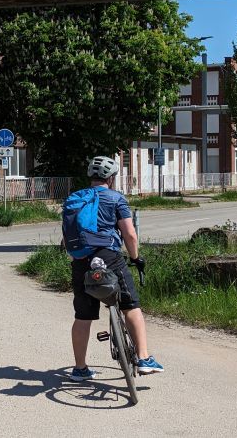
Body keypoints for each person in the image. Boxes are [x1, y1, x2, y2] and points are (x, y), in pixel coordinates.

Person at [65, 155, 164, 382]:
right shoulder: (116, 199)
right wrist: (136, 258)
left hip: (81, 261)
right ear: (111, 178)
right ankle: (144, 358)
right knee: (131, 305)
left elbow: (67, 234)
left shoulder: (74, 198)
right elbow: (129, 234)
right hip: (109, 257)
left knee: (83, 316)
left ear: (90, 176)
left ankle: (80, 369)